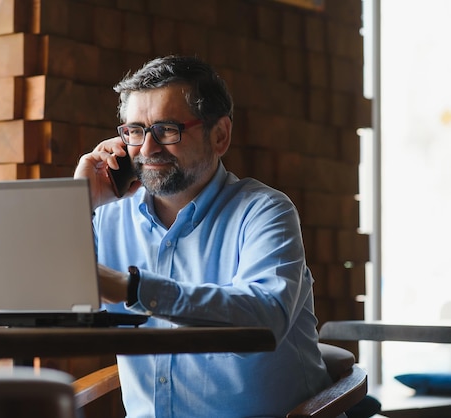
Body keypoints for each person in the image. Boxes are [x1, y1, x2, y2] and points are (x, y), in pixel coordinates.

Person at [73, 55, 332, 418]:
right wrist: (78, 203)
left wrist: (132, 289)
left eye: (166, 130)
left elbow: (265, 319)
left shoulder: (265, 211)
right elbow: (43, 303)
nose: (147, 149)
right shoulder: (109, 216)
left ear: (220, 135)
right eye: (135, 131)